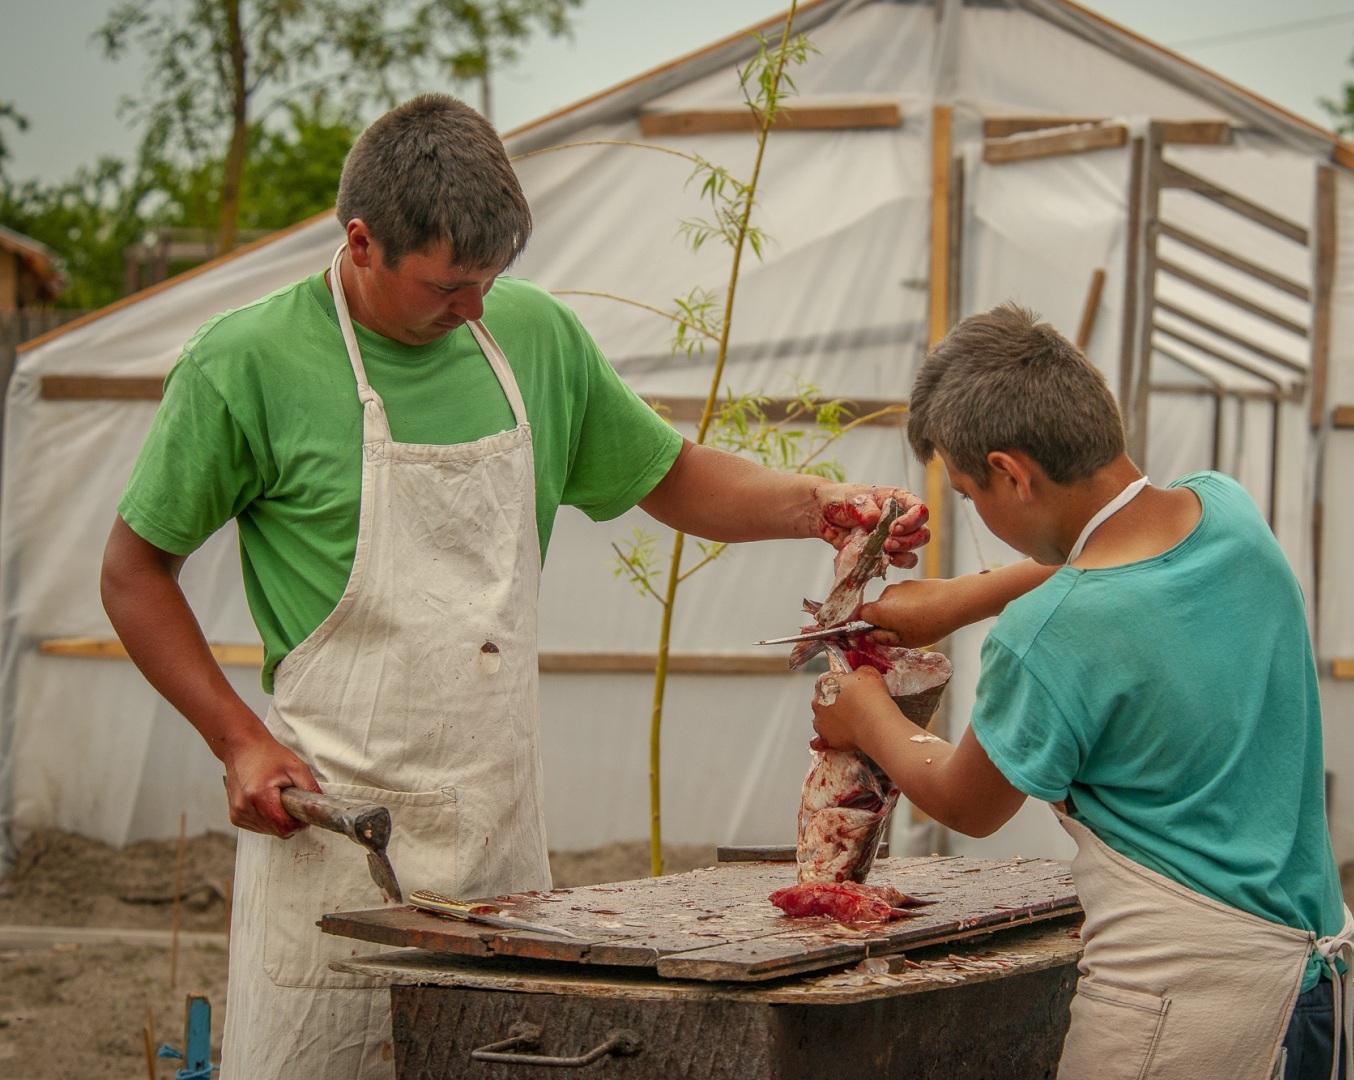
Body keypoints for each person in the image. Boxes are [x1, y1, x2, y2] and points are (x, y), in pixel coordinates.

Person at [99, 94, 928, 1080]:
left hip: (500, 845)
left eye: (492, 280)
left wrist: (816, 504)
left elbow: (668, 475)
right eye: (447, 285)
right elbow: (132, 573)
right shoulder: (245, 363)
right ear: (361, 242)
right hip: (330, 839)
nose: (476, 308)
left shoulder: (532, 337)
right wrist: (237, 739)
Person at [810, 304, 1354, 1080]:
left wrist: (865, 713)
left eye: (971, 494)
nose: (975, 511)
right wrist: (961, 598)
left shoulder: (1049, 636)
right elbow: (1125, 565)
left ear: (1011, 472)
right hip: (1310, 988)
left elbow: (968, 804)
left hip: (1186, 1012)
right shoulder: (1226, 511)